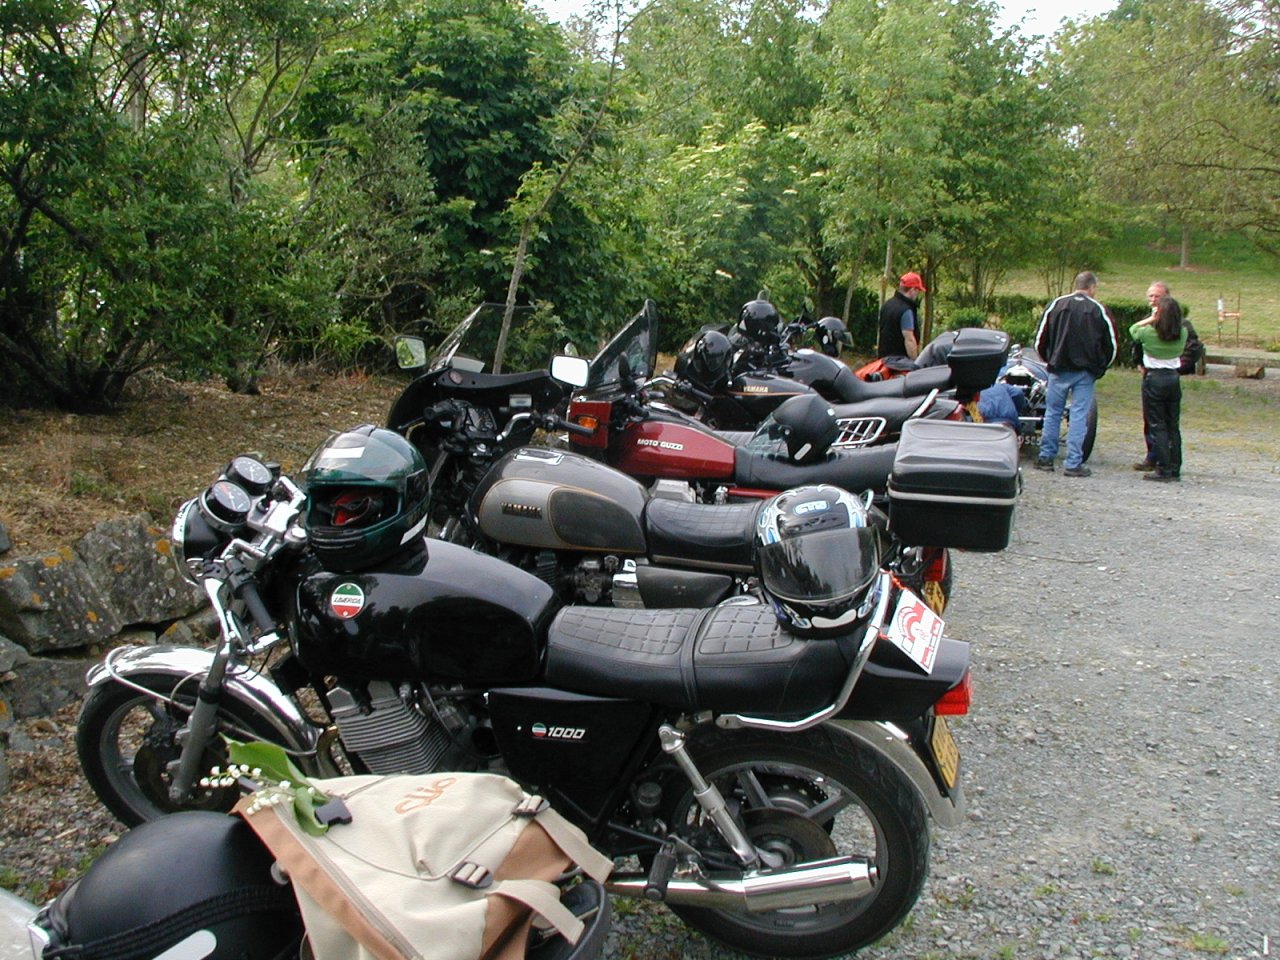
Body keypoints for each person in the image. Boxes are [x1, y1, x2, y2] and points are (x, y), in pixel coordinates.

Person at [1033, 271, 1118, 478]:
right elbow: (1111, 345)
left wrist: (1049, 360)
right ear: (1092, 287)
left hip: (1058, 369)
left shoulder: (1057, 305)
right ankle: (1073, 462)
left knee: (1052, 413)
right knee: (1079, 415)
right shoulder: (1099, 309)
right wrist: (1100, 367)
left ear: (1076, 285)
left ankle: (1046, 457)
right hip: (1085, 372)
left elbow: (1040, 340)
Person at [1133, 281, 1201, 470]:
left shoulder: (1181, 326)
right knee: (1155, 421)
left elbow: (1193, 349)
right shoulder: (1152, 322)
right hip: (1159, 375)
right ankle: (1157, 458)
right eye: (1151, 296)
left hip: (1161, 375)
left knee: (1160, 423)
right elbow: (1137, 346)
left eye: (1158, 296)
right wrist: (1139, 362)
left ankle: (1163, 463)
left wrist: (1179, 366)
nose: (1154, 300)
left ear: (1167, 298)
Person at [1129, 295, 1187, 482]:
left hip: (1154, 378)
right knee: (1173, 425)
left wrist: (1151, 319)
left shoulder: (1149, 333)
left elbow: (1133, 329)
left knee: (1157, 425)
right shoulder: (1182, 333)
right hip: (1173, 378)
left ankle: (1163, 468)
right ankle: (1175, 467)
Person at [877, 272, 927, 361]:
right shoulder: (906, 311)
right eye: (918, 290)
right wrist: (916, 363)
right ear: (912, 290)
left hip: (883, 360)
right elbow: (909, 340)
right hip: (900, 362)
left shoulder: (887, 305)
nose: (917, 294)